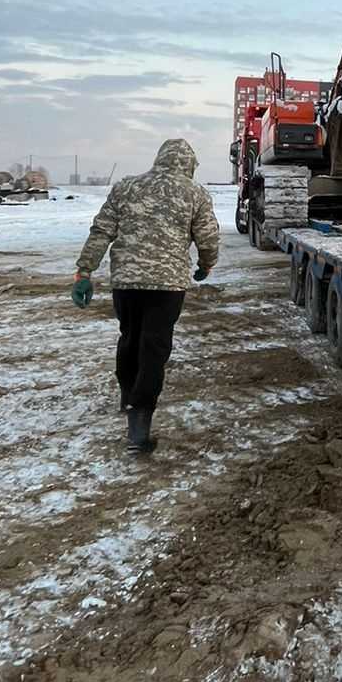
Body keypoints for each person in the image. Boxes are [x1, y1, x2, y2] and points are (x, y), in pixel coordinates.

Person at [71, 138, 220, 454]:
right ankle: (139, 424)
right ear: (189, 165)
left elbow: (101, 231)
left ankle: (128, 395)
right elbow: (208, 237)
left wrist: (84, 271)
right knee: (154, 348)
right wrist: (206, 265)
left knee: (130, 338)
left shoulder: (126, 187)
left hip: (126, 283)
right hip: (167, 286)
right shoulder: (195, 193)